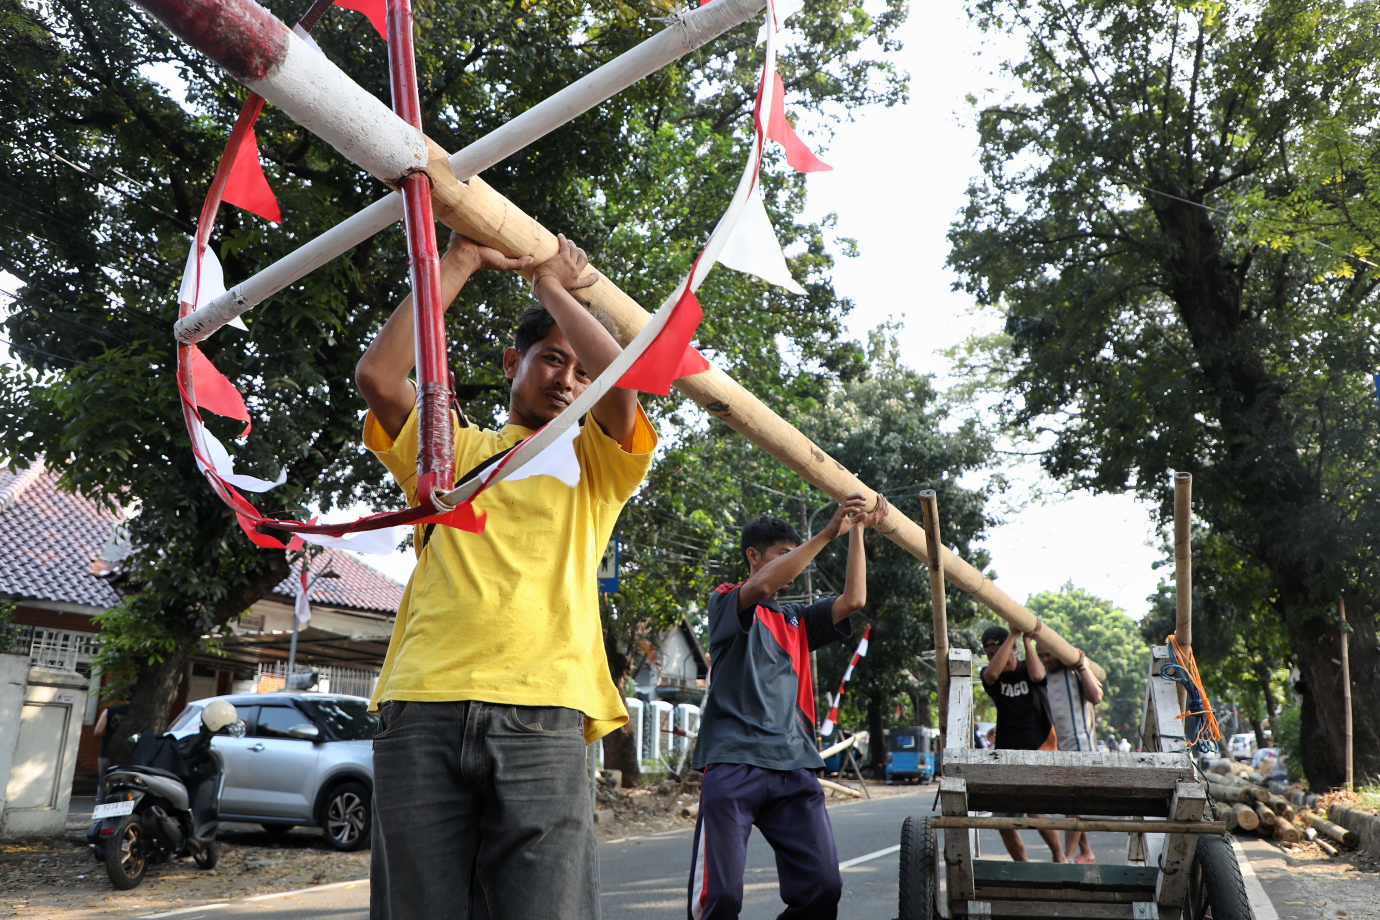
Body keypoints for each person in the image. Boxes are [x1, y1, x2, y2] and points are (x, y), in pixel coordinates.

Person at [357, 231, 658, 920]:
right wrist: (460, 257)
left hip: (543, 715)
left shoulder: (599, 464)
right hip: (423, 705)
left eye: (581, 369)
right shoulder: (451, 446)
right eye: (552, 360)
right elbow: (379, 377)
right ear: (512, 362)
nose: (568, 380)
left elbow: (623, 386)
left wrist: (551, 286)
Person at [687, 497, 890, 920]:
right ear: (753, 556)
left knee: (823, 887)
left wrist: (856, 530)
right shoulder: (726, 601)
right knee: (721, 899)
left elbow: (854, 599)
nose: (794, 562)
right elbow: (760, 587)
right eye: (784, 553)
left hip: (794, 768)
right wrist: (826, 533)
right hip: (732, 764)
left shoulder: (797, 619)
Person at [980, 625, 1065, 863]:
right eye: (990, 655)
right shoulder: (992, 677)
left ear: (1014, 649)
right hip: (1008, 751)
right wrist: (1012, 637)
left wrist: (1025, 639)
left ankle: (1059, 858)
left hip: (1040, 746)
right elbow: (990, 675)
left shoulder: (1029, 667)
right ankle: (1022, 866)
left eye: (1000, 652)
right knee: (1003, 818)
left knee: (1035, 810)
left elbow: (1038, 676)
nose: (995, 659)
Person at [1038, 647, 1104, 864]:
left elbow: (1095, 696)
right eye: (1041, 655)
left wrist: (1082, 665)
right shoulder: (1042, 675)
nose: (1045, 658)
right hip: (1055, 748)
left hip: (1079, 746)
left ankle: (1066, 857)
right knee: (1069, 804)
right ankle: (1087, 852)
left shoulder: (1074, 671)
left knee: (1074, 803)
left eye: (1048, 653)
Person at [93, 701, 129, 802]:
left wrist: (107, 737)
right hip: (128, 753)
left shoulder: (109, 711)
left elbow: (97, 732)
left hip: (107, 752)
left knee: (103, 784)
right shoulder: (140, 712)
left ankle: (100, 812)